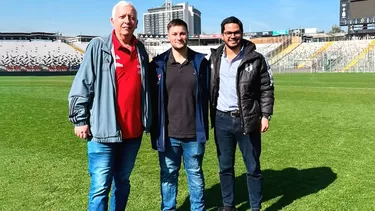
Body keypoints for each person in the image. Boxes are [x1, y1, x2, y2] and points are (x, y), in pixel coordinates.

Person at [67, 1, 151, 210]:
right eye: (122, 17)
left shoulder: (141, 49)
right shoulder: (99, 46)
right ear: (113, 21)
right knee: (100, 187)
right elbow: (82, 83)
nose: (127, 21)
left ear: (137, 22)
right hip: (103, 133)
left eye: (131, 17)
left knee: (123, 183)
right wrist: (80, 119)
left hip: (132, 134)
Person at [209, 16, 275, 211]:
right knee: (225, 167)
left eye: (236, 32)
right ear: (222, 35)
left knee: (253, 168)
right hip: (221, 119)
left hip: (247, 119)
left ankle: (255, 207)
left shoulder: (256, 59)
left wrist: (265, 115)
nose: (232, 36)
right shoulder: (214, 57)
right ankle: (228, 205)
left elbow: (267, 88)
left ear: (242, 33)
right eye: (228, 33)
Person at [149, 19, 210, 211]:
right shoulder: (158, 64)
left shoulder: (200, 63)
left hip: (194, 133)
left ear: (188, 35)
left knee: (195, 175)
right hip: (168, 135)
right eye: (174, 34)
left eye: (182, 33)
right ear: (168, 37)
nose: (179, 37)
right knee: (168, 176)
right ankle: (168, 208)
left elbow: (210, 93)